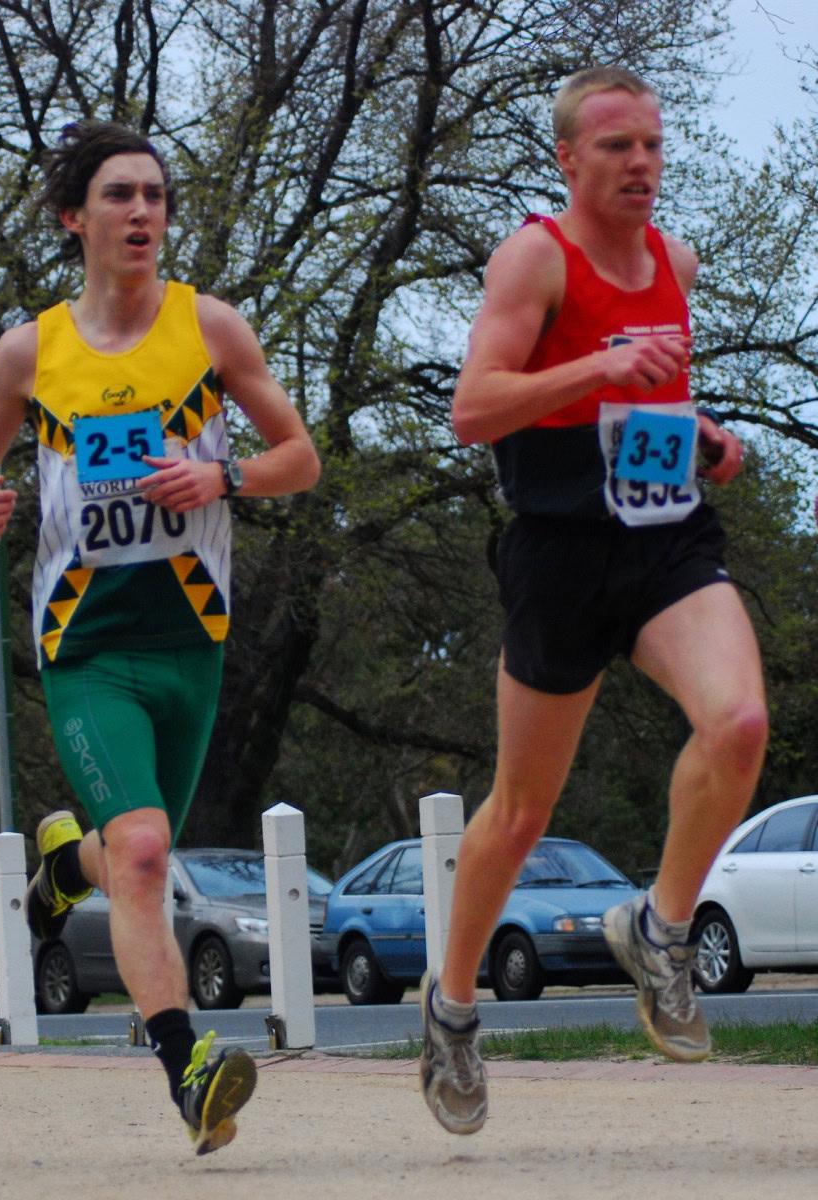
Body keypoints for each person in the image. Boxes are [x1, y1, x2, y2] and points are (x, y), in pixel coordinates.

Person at [0, 119, 320, 1154]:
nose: (143, 210)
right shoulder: (31, 350)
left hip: (191, 635)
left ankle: (70, 862)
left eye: (154, 194)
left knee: (132, 856)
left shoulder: (212, 329)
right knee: (147, 855)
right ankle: (187, 1068)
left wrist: (221, 475)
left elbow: (299, 456)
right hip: (86, 643)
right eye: (120, 194)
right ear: (75, 218)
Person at [420, 67, 769, 1135]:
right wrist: (598, 369)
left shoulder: (676, 262)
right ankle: (452, 1008)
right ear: (569, 158)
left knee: (739, 725)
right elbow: (472, 410)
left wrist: (703, 437)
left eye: (652, 144)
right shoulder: (535, 257)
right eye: (617, 146)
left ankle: (660, 932)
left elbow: (647, 404)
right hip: (560, 552)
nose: (640, 163)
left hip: (664, 540)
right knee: (521, 812)